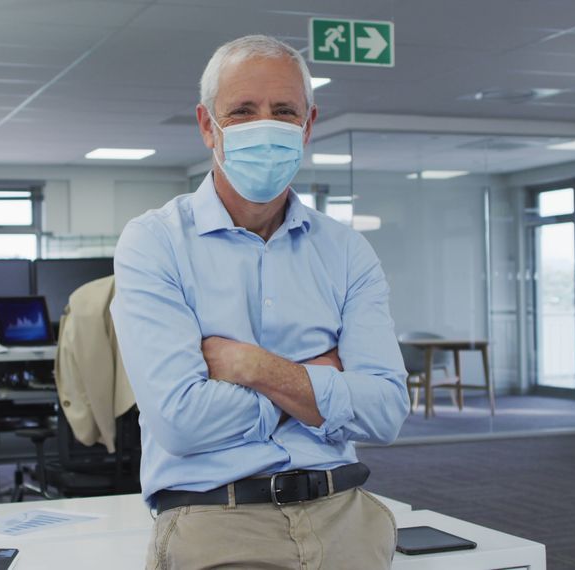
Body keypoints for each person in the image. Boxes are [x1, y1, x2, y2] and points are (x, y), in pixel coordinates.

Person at [111, 35, 411, 569]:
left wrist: (253, 367)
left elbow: (385, 411)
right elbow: (180, 421)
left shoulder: (346, 251)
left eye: (284, 111)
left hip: (346, 515)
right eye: (243, 112)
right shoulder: (155, 242)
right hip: (217, 521)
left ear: (308, 124)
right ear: (209, 126)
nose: (265, 126)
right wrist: (313, 385)